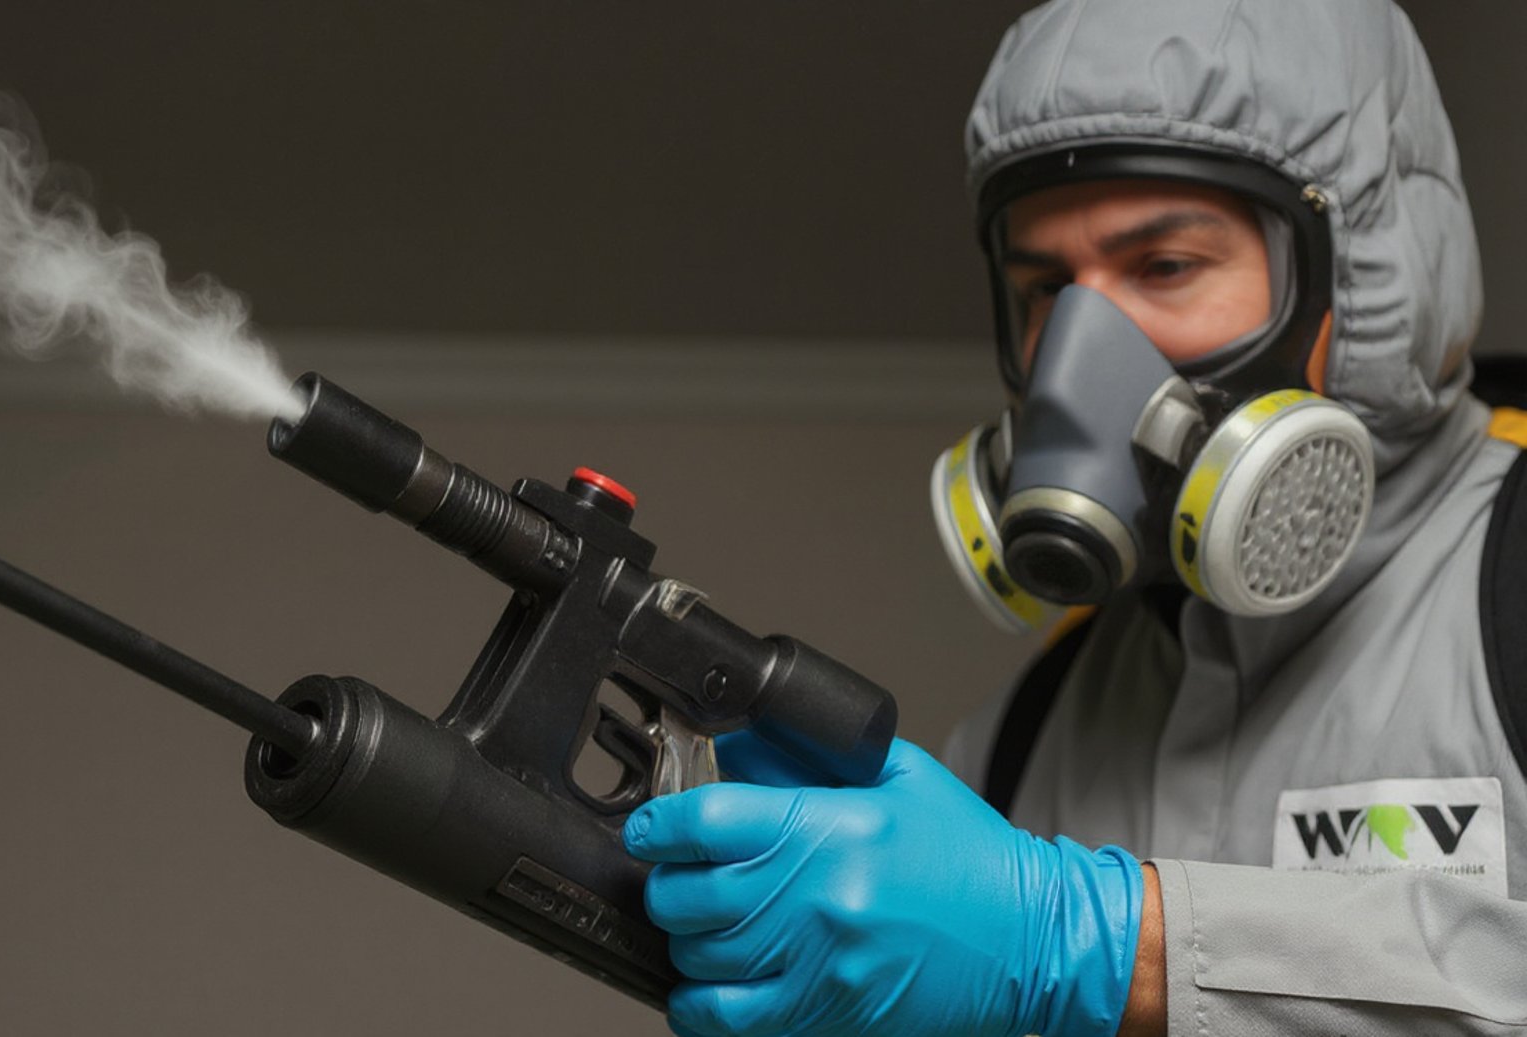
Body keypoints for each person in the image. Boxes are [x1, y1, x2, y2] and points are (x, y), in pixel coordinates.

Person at [623, 2, 1527, 1034]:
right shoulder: (1020, 739)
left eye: (1166, 267)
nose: (1080, 357)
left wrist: (1096, 946)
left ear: (1362, 276)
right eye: (1047, 286)